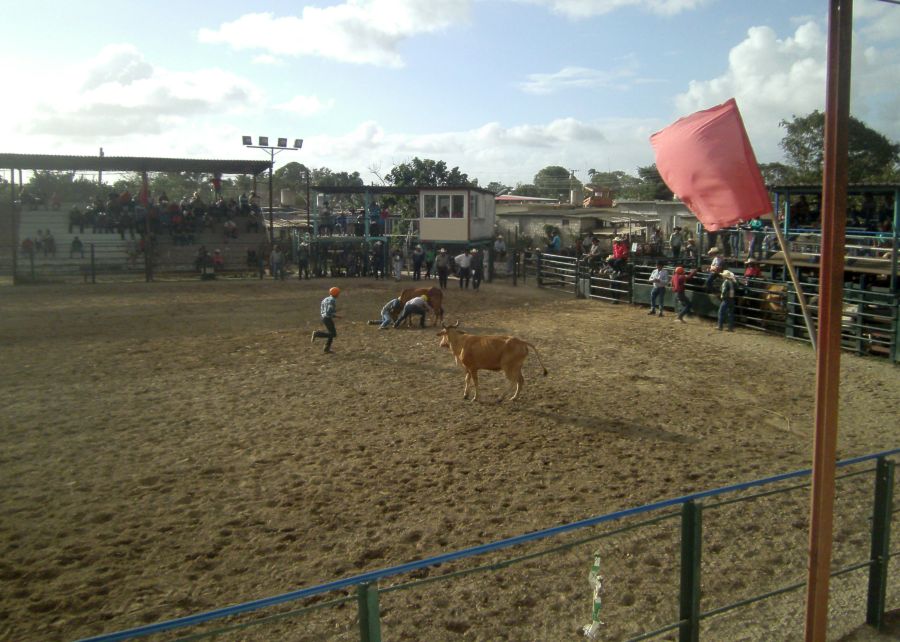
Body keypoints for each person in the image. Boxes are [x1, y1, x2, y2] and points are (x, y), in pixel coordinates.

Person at [311, 287, 341, 353]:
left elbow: (324, 310)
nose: (339, 294)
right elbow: (329, 311)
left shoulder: (325, 299)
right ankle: (317, 334)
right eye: (338, 293)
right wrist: (336, 316)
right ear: (336, 293)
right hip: (327, 318)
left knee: (331, 333)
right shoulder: (333, 300)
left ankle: (326, 349)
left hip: (324, 317)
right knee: (333, 334)